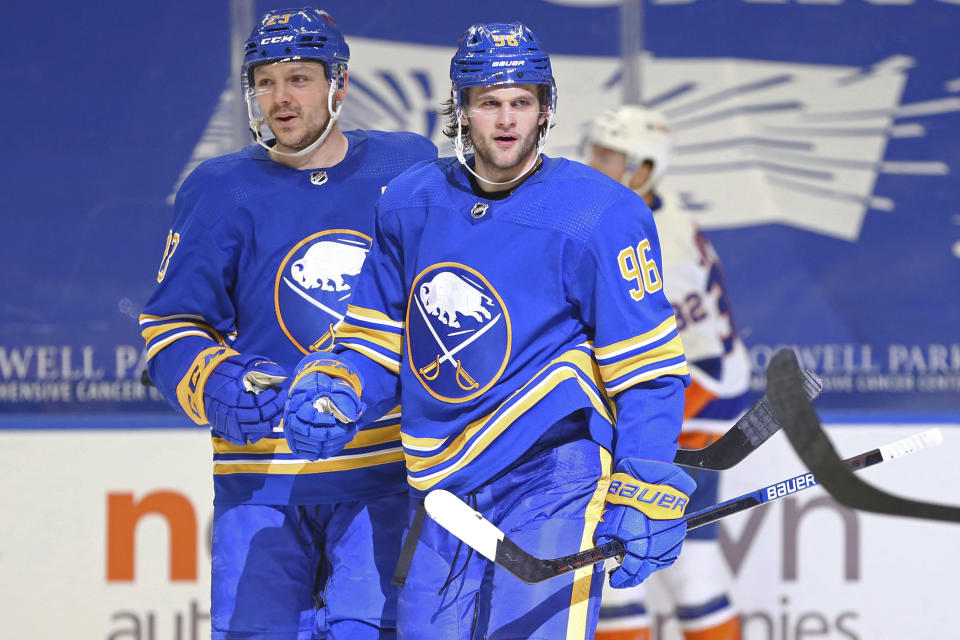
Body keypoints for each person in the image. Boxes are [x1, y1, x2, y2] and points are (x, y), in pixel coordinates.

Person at [280, 22, 694, 640]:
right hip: (441, 480)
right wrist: (342, 389)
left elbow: (648, 371)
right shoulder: (409, 202)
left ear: (545, 109)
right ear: (461, 111)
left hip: (552, 468)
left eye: (522, 102)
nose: (506, 120)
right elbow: (375, 339)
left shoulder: (601, 212)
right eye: (489, 102)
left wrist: (646, 484)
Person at [139, 8, 437, 639]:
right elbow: (172, 324)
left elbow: (435, 303)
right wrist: (211, 379)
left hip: (380, 474)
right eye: (266, 81)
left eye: (299, 79)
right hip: (260, 479)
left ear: (340, 84)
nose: (280, 98)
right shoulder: (218, 188)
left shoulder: (407, 168)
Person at [585, 105, 751, 640]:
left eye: (608, 157)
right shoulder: (654, 215)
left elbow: (648, 353)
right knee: (685, 572)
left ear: (643, 167)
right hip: (701, 397)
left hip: (692, 402)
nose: (593, 165)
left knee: (617, 570)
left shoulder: (656, 236)